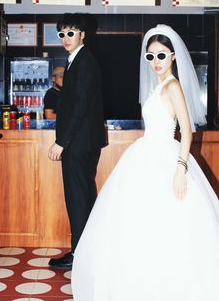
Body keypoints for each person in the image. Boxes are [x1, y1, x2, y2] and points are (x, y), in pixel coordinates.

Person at [71, 24, 219, 301]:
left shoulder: (173, 85)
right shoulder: (159, 86)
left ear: (173, 56)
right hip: (145, 154)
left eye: (161, 55)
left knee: (167, 226)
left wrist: (180, 168)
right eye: (150, 56)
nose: (155, 62)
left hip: (166, 157)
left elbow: (186, 130)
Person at [48, 13, 107, 270]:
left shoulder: (84, 62)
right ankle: (85, 251)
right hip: (83, 141)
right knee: (82, 197)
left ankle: (79, 254)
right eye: (62, 34)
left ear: (82, 34)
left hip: (78, 143)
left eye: (70, 33)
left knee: (78, 198)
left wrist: (62, 141)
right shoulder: (77, 61)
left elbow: (80, 105)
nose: (66, 38)